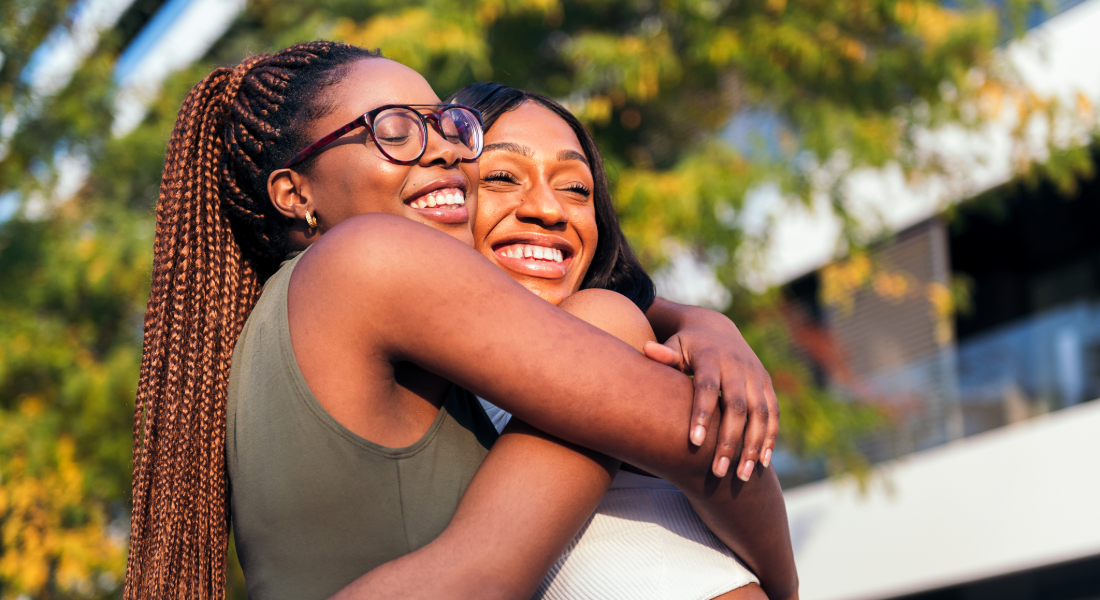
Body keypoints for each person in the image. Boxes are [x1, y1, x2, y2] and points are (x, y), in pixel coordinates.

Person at [125, 41, 793, 600]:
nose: (443, 149)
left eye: (447, 126)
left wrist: (695, 319)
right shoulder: (373, 255)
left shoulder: (275, 327)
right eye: (394, 129)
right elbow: (700, 434)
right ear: (293, 192)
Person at [434, 81, 793, 599]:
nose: (549, 210)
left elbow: (727, 465)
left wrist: (709, 324)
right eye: (503, 176)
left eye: (576, 188)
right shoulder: (422, 368)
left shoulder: (602, 323)